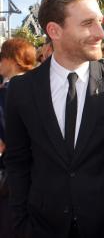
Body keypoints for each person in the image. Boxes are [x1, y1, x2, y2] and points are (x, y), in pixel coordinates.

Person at [4, 0, 104, 238]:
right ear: (54, 31)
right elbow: (17, 162)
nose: (101, 33)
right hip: (41, 226)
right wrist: (21, 222)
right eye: (87, 23)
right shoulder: (21, 90)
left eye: (99, 21)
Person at [0, 37, 37, 238]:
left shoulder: (7, 93)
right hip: (43, 179)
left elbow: (6, 141)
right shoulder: (43, 88)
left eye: (1, 57)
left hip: (13, 180)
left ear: (12, 59)